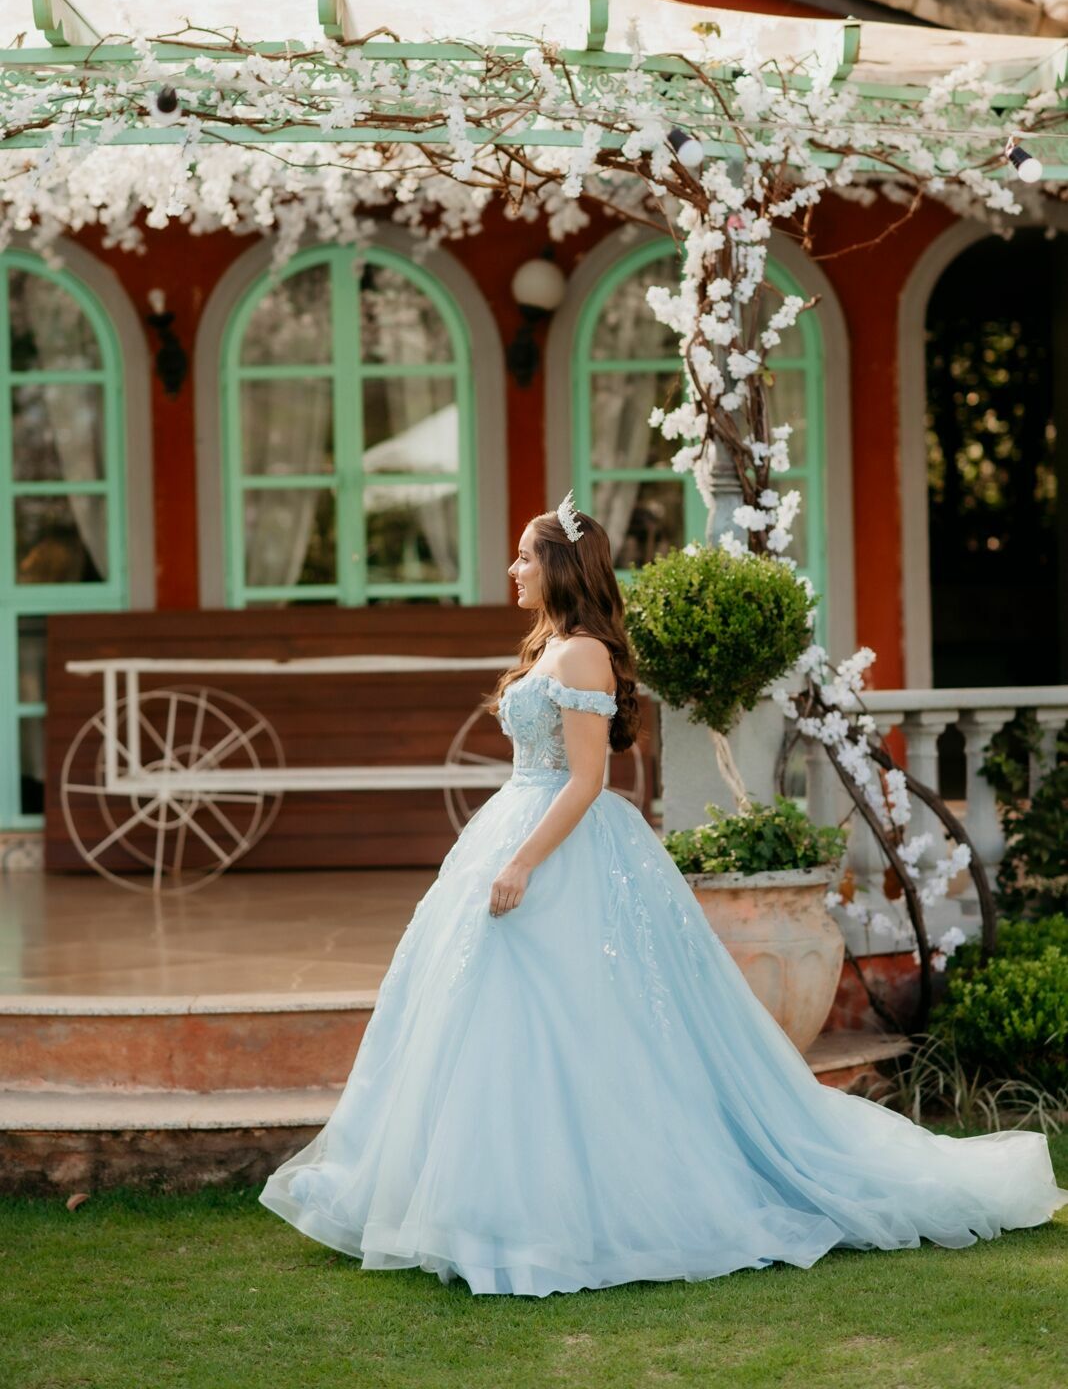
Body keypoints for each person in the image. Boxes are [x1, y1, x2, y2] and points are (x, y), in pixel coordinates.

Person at [259, 492, 1068, 1297]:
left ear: (561, 567)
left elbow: (586, 780)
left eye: (526, 557)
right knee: (489, 1015)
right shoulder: (553, 645)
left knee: (572, 1018)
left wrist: (522, 864)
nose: (513, 569)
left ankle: (568, 1207)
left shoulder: (583, 655)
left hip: (558, 847)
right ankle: (483, 1204)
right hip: (515, 825)